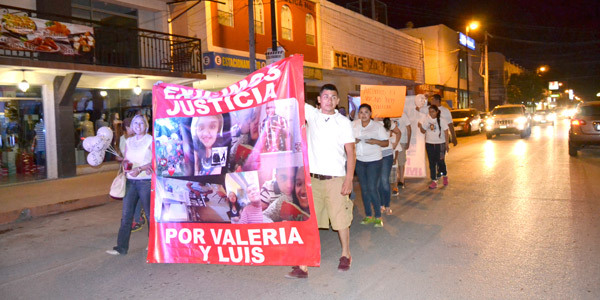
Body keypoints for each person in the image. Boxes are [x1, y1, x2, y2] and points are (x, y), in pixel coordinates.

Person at [285, 84, 356, 279]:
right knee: (308, 221)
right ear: (318, 100)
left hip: (336, 179)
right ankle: (303, 264)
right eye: (325, 96)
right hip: (313, 180)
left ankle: (345, 254)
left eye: (333, 97)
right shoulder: (313, 115)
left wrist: (349, 179)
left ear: (338, 101)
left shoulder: (343, 122)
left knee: (340, 219)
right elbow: (292, 92)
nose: (329, 100)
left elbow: (351, 152)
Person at [106, 114, 153, 255]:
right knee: (126, 215)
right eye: (135, 123)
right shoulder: (129, 141)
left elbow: (157, 161)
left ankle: (153, 244)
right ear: (132, 126)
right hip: (130, 182)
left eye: (141, 123)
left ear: (146, 126)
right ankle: (121, 247)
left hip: (145, 181)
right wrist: (124, 163)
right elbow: (127, 159)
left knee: (150, 215)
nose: (138, 126)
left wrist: (140, 169)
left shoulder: (151, 140)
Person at [353, 104, 389, 227]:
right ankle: (368, 215)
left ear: (371, 114)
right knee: (364, 189)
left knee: (372, 187)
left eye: (366, 112)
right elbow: (347, 140)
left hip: (374, 160)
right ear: (358, 114)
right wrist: (354, 141)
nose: (363, 115)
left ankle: (378, 216)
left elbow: (386, 143)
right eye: (361, 112)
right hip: (359, 160)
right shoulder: (354, 125)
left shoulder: (377, 127)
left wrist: (375, 141)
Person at [418, 105, 449, 189]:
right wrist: (421, 126)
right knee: (432, 163)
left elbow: (446, 132)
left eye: (433, 111)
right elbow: (423, 131)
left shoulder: (442, 120)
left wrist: (447, 144)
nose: (431, 113)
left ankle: (445, 175)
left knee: (440, 161)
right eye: (430, 112)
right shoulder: (427, 120)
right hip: (429, 143)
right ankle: (434, 180)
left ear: (437, 112)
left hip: (440, 144)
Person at [378, 118, 395, 214]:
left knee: (384, 180)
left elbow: (398, 132)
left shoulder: (388, 121)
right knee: (379, 181)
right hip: (375, 155)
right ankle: (381, 204)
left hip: (387, 154)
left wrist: (395, 144)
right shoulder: (371, 122)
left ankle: (387, 205)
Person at [392, 113, 411, 191]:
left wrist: (408, 141)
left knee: (401, 161)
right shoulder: (389, 114)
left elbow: (409, 128)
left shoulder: (403, 114)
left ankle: (401, 180)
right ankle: (395, 180)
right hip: (392, 141)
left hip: (402, 141)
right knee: (393, 162)